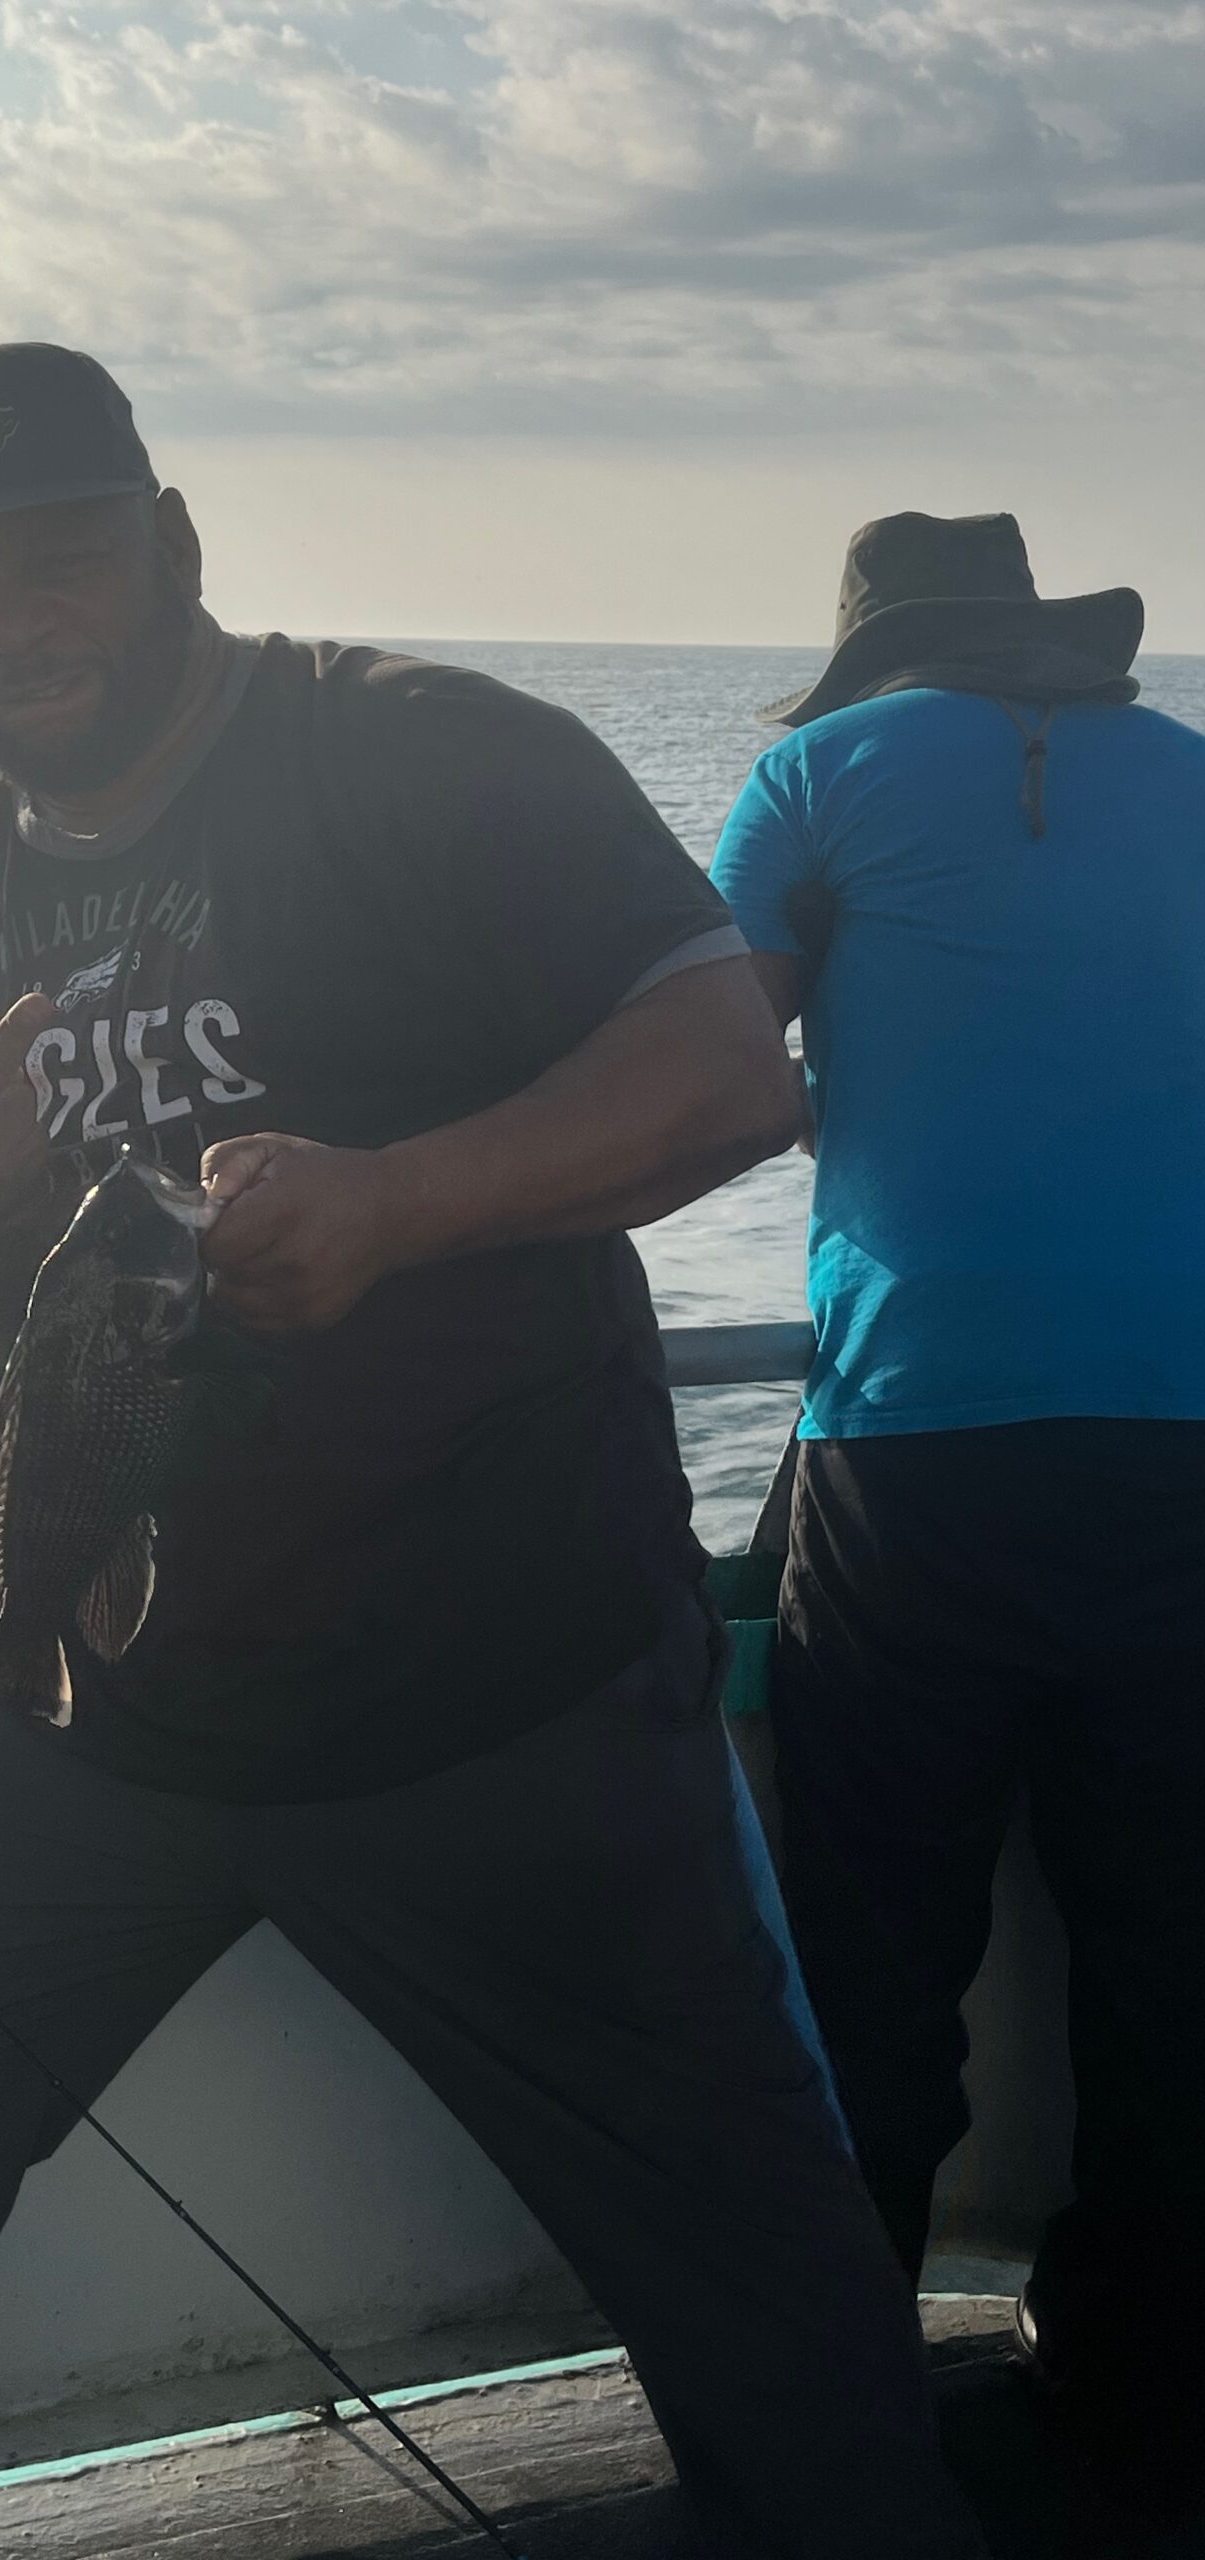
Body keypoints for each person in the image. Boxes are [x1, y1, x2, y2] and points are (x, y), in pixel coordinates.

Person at [0, 348, 985, 2560]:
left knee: (779, 2306)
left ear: (172, 540)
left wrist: (392, 1202)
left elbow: (730, 1065)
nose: (9, 620)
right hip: (91, 1698)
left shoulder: (427, 756)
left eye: (57, 553)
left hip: (508, 1704)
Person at [711, 510, 1205, 2511]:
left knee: (874, 1955)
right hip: (1186, 1443)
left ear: (872, 653)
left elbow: (710, 1067)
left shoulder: (812, 775)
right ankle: (1148, 2400)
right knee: (1173, 1965)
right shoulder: (1192, 777)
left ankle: (844, 2420)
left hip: (917, 1454)